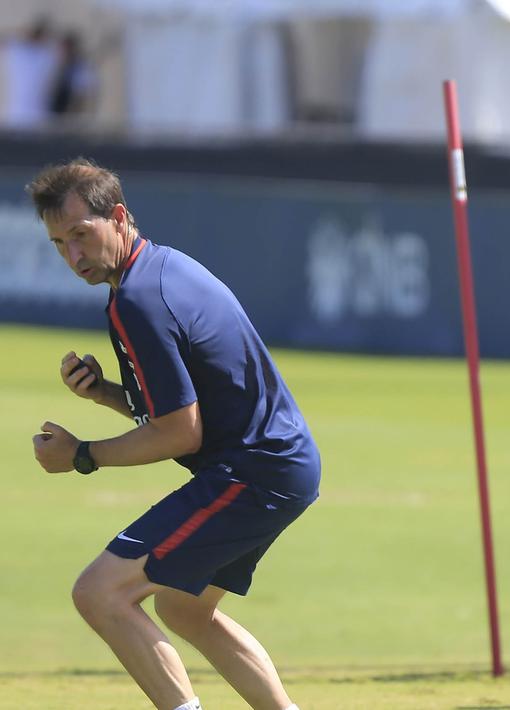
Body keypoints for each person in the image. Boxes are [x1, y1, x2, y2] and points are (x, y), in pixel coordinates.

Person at [28, 159, 319, 710]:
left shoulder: (139, 299)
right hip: (280, 465)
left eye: (80, 236)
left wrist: (82, 456)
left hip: (254, 473)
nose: (72, 256)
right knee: (184, 610)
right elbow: (183, 412)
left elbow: (180, 433)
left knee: (101, 593)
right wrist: (106, 395)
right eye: (59, 244)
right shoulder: (158, 269)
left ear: (117, 217)